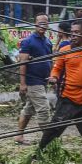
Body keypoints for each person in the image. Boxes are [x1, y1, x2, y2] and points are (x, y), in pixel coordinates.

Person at [37, 21, 82, 164]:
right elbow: (56, 68)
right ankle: (38, 154)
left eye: (77, 32)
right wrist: (54, 77)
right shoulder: (65, 50)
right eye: (72, 32)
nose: (73, 35)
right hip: (68, 98)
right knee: (54, 129)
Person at [15, 14, 54, 144]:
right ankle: (49, 141)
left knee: (28, 110)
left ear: (48, 25)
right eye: (40, 22)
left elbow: (50, 60)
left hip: (43, 81)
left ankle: (19, 136)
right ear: (35, 24)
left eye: (45, 23)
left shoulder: (48, 42)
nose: (42, 25)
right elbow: (22, 63)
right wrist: (22, 83)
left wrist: (51, 76)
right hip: (33, 81)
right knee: (43, 109)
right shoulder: (28, 41)